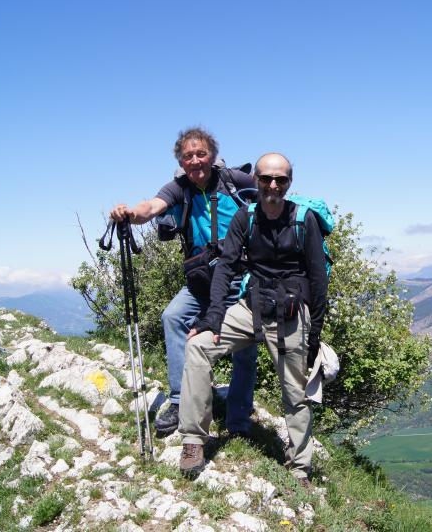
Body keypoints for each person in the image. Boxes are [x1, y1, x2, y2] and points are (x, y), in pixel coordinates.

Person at [178, 153, 328, 486]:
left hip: (291, 314)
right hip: (251, 308)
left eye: (280, 179)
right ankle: (193, 440)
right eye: (266, 179)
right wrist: (213, 316)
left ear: (289, 183)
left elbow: (319, 280)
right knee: (198, 346)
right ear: (256, 181)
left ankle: (300, 468)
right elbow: (226, 267)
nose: (273, 185)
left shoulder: (303, 220)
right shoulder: (245, 217)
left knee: (295, 390)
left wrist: (314, 333)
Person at [110, 126, 257, 436]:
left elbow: (269, 196)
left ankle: (239, 415)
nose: (195, 161)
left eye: (201, 154)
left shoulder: (235, 181)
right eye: (188, 156)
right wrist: (130, 214)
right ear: (181, 161)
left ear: (212, 156)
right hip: (202, 280)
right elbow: (151, 207)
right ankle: (179, 401)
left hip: (240, 277)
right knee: (173, 317)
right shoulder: (179, 188)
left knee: (245, 346)